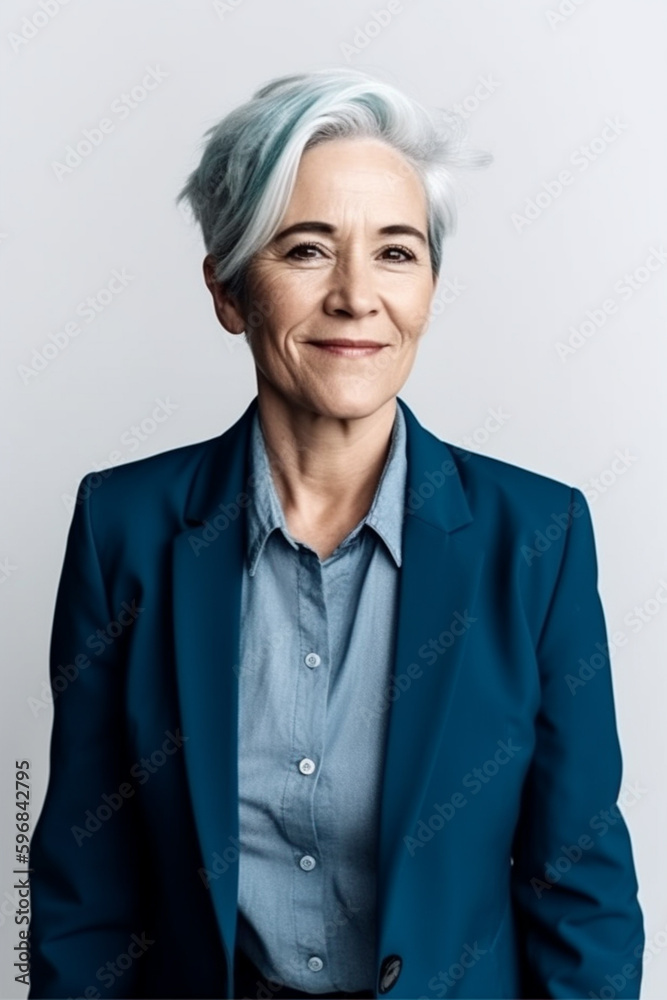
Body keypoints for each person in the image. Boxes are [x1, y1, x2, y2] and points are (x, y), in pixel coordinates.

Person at [28, 68, 644, 1000]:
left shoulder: (538, 538)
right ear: (230, 289)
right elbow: (85, 890)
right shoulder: (124, 527)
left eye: (396, 253)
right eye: (308, 249)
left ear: (430, 287)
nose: (357, 297)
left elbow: (580, 897)